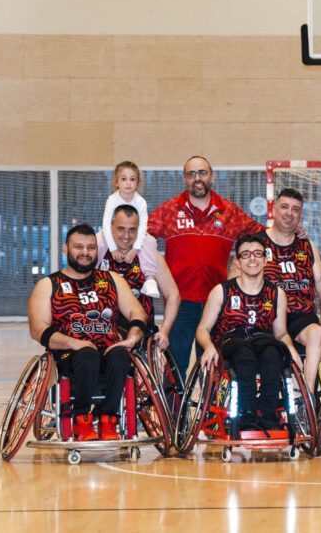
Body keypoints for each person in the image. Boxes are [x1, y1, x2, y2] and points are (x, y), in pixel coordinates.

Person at [27, 224, 149, 441]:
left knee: (121, 356)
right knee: (87, 355)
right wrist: (74, 343)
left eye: (91, 247)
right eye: (79, 247)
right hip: (70, 354)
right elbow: (38, 330)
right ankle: (81, 420)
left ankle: (107, 420)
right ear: (66, 249)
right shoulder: (49, 285)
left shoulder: (111, 280)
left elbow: (136, 311)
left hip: (108, 348)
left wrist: (132, 337)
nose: (85, 253)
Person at [146, 155, 266, 376]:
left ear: (211, 176)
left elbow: (265, 235)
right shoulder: (170, 210)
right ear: (185, 179)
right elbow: (141, 238)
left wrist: (292, 233)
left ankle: (211, 411)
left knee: (213, 369)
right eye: (191, 174)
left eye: (202, 173)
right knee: (175, 370)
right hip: (180, 304)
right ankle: (174, 412)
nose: (197, 178)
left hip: (216, 304)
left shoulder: (229, 212)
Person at [196, 234, 299, 435]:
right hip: (233, 339)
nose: (252, 258)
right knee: (244, 354)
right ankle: (247, 413)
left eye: (257, 254)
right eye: (246, 254)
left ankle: (268, 415)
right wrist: (208, 346)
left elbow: (281, 333)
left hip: (263, 338)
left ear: (265, 258)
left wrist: (291, 349)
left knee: (273, 353)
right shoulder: (221, 291)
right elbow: (202, 329)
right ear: (238, 261)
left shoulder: (277, 293)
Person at [259, 188, 321, 393]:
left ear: (300, 215)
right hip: (266, 316)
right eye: (284, 207)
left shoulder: (308, 247)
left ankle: (306, 397)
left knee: (317, 332)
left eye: (295, 209)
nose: (289, 213)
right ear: (273, 209)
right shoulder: (256, 245)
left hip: (300, 317)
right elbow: (235, 286)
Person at [96, 204, 181, 350]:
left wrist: (165, 331)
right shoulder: (99, 252)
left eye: (132, 230)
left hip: (140, 330)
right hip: (103, 328)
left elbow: (174, 295)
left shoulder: (149, 255)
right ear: (110, 227)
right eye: (121, 229)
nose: (126, 236)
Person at [100, 161, 161, 298]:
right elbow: (106, 225)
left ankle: (150, 279)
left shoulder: (140, 202)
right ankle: (91, 274)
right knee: (97, 240)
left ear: (137, 183)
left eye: (132, 179)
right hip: (112, 233)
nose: (128, 183)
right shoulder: (112, 200)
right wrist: (113, 248)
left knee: (150, 241)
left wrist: (136, 249)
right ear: (116, 183)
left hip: (136, 233)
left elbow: (143, 227)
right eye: (124, 179)